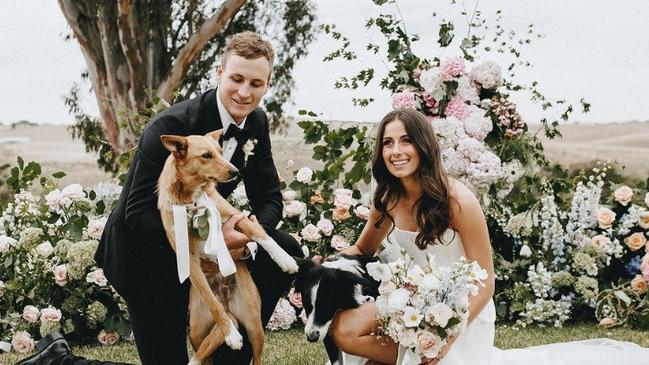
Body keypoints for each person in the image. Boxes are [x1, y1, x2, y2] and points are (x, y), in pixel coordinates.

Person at [16, 31, 303, 365]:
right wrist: (208, 239)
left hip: (204, 257)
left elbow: (269, 198)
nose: (244, 92)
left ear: (267, 84)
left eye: (256, 83)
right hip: (146, 256)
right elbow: (137, 215)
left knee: (285, 249)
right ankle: (59, 361)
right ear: (219, 74)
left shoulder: (256, 122)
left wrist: (246, 235)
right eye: (237, 79)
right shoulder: (171, 127)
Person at [330, 108, 649, 365]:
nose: (396, 151)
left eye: (406, 141)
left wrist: (448, 329)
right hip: (407, 303)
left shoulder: (457, 200)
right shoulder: (386, 198)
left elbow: (486, 279)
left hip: (461, 309)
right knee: (344, 330)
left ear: (423, 146)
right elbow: (362, 249)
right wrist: (316, 268)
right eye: (388, 142)